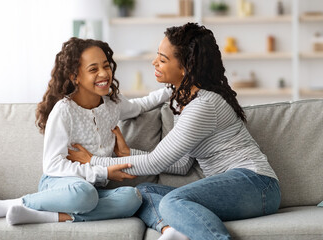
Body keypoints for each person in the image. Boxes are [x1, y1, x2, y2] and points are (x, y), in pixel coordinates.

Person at [67, 23, 281, 240]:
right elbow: (181, 164)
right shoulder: (183, 101)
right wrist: (127, 154)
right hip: (239, 187)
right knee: (143, 193)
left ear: (185, 67)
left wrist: (93, 161)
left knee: (172, 202)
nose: (154, 62)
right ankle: (174, 232)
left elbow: (155, 163)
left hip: (256, 184)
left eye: (162, 59)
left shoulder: (203, 105)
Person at [0, 37, 193, 225]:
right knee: (83, 193)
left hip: (95, 189)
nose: (103, 73)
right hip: (62, 185)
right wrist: (102, 172)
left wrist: (172, 88)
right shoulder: (64, 111)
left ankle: (44, 216)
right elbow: (53, 165)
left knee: (132, 198)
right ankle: (15, 204)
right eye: (93, 69)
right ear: (75, 77)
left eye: (106, 66)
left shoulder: (112, 104)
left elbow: (141, 105)